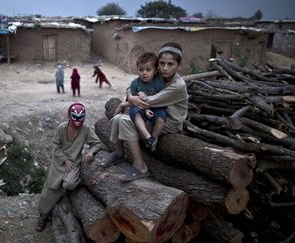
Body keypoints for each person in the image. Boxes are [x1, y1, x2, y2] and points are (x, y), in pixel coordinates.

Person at [106, 42, 188, 182]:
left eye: (170, 64)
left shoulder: (177, 85)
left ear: (178, 65)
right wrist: (130, 95)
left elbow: (148, 102)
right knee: (117, 118)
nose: (165, 68)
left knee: (125, 121)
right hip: (152, 114)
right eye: (162, 63)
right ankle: (119, 153)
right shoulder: (158, 76)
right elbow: (134, 86)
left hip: (168, 122)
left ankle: (141, 167)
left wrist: (127, 101)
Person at [35, 103, 102, 232]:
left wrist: (91, 152)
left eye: (80, 119)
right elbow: (56, 147)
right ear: (69, 117)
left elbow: (97, 143)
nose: (78, 122)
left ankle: (63, 195)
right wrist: (65, 160)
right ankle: (42, 216)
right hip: (59, 162)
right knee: (51, 186)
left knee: (69, 184)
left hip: (74, 163)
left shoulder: (86, 129)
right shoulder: (61, 128)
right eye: (75, 119)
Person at [114, 52, 166, 152]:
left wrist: (147, 104)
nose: (144, 73)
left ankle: (154, 138)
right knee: (134, 112)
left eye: (148, 70)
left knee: (161, 117)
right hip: (140, 108)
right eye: (141, 70)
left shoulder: (159, 82)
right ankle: (147, 136)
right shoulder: (135, 83)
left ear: (155, 71)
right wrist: (145, 108)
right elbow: (133, 101)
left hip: (156, 107)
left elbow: (161, 99)